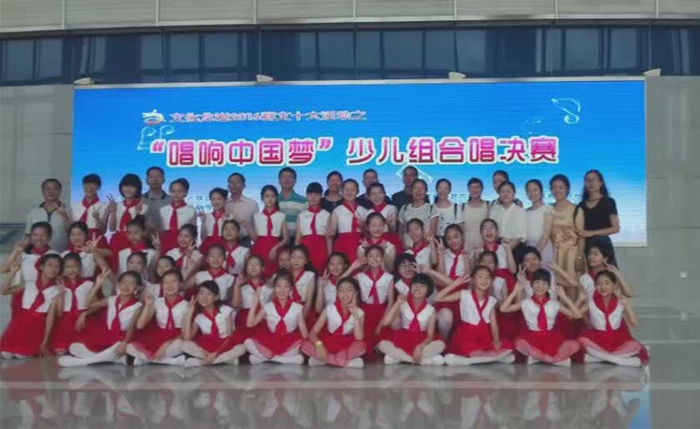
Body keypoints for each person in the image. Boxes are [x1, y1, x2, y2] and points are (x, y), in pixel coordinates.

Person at [58, 271, 144, 366]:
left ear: (137, 288)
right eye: (123, 282)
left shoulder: (137, 306)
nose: (126, 286)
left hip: (123, 337)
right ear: (119, 284)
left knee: (119, 346)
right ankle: (117, 359)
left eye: (131, 284)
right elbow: (87, 304)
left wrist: (124, 343)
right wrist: (97, 285)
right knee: (74, 347)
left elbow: (131, 328)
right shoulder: (111, 299)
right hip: (107, 335)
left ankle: (82, 362)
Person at [500, 269, 582, 366]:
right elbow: (503, 309)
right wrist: (515, 291)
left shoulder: (554, 304)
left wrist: (564, 297)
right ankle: (555, 359)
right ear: (531, 284)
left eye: (544, 284)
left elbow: (577, 315)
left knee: (573, 345)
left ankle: (539, 358)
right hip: (531, 337)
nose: (540, 286)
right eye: (537, 282)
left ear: (549, 287)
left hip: (551, 338)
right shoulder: (526, 303)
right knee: (520, 343)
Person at [436, 267, 515, 365]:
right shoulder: (464, 294)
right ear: (473, 280)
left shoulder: (492, 300)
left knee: (509, 347)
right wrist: (455, 284)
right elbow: (438, 298)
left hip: (484, 336)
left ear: (491, 281)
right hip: (466, 335)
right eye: (480, 277)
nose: (484, 280)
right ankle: (493, 358)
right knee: (471, 350)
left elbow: (494, 325)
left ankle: (470, 360)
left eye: (487, 277)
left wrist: (496, 341)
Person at [576, 270, 648, 366]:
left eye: (607, 283)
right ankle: (620, 360)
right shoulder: (591, 301)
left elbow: (635, 324)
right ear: (595, 286)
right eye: (599, 284)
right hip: (596, 339)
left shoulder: (620, 300)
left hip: (617, 340)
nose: (603, 287)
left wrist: (627, 305)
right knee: (581, 341)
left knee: (635, 346)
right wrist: (579, 300)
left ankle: (597, 358)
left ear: (614, 285)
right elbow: (575, 315)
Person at [0, 254, 64, 358]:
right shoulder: (28, 283)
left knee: (20, 355)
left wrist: (45, 341)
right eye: (50, 265)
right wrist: (13, 272)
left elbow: (51, 317)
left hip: (37, 328)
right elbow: (3, 291)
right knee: (6, 354)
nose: (53, 269)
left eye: (57, 267)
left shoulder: (56, 290)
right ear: (41, 267)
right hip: (19, 325)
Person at [377, 274, 445, 366]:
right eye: (415, 284)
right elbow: (386, 323)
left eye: (422, 286)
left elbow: (430, 336)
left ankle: (400, 358)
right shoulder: (403, 304)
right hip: (403, 338)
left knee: (440, 345)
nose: (417, 288)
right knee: (382, 344)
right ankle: (418, 360)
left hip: (421, 338)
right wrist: (397, 303)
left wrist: (419, 347)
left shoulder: (431, 310)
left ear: (428, 290)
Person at [244, 270, 309, 365]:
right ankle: (283, 360)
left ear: (291, 288)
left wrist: (305, 338)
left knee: (303, 345)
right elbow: (250, 324)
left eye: (286, 287)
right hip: (270, 339)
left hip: (289, 341)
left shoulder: (297, 307)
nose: (282, 290)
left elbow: (304, 335)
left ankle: (264, 358)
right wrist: (254, 304)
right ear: (274, 288)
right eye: (278, 286)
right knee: (247, 342)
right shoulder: (268, 306)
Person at [127, 269, 188, 366]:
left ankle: (146, 359)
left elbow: (184, 333)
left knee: (181, 344)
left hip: (175, 338)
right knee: (129, 347)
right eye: (166, 282)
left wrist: (166, 344)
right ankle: (172, 361)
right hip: (157, 336)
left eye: (173, 281)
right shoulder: (158, 302)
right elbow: (139, 325)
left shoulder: (186, 305)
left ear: (180, 284)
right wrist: (148, 305)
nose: (169, 285)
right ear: (162, 286)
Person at [302, 277, 366, 368]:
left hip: (347, 343)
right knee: (304, 345)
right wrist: (319, 345)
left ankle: (322, 361)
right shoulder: (329, 308)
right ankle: (344, 362)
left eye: (349, 290)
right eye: (341, 290)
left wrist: (355, 314)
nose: (345, 294)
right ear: (337, 292)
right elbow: (312, 333)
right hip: (328, 341)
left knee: (360, 346)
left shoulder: (359, 312)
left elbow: (359, 337)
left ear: (356, 293)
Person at [342, 246, 395, 353]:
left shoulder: (388, 277)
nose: (374, 259)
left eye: (377, 256)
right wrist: (352, 268)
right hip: (365, 312)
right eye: (371, 256)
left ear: (382, 258)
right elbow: (341, 283)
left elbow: (390, 303)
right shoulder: (360, 276)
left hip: (382, 312)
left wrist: (381, 324)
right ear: (366, 258)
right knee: (365, 342)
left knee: (383, 338)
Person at [182, 280, 247, 366]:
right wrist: (189, 313)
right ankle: (224, 360)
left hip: (226, 345)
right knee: (185, 345)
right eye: (201, 293)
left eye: (209, 294)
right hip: (207, 347)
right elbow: (187, 338)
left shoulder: (225, 310)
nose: (204, 297)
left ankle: (201, 362)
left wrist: (215, 354)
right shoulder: (199, 317)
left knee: (241, 348)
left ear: (216, 297)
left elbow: (229, 336)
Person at [50, 253, 96, 354]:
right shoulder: (58, 284)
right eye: (68, 267)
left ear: (80, 267)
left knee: (86, 346)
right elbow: (58, 312)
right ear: (63, 268)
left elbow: (96, 306)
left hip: (84, 321)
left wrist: (84, 314)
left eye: (75, 266)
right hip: (65, 322)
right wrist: (61, 294)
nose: (71, 270)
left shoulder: (88, 284)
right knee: (60, 351)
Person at [575, 170, 620, 266]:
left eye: (594, 180)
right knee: (588, 274)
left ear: (601, 183)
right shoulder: (581, 205)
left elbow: (615, 228)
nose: (590, 183)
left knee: (607, 274)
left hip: (603, 246)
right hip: (587, 247)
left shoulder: (608, 202)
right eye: (587, 180)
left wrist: (592, 233)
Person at [550, 174, 583, 294]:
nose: (557, 191)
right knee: (556, 287)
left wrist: (579, 257)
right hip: (555, 253)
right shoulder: (548, 209)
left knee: (572, 286)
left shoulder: (576, 209)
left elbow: (581, 236)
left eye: (560, 187)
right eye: (554, 188)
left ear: (567, 189)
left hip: (571, 254)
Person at [248, 185, 289, 278]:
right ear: (262, 198)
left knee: (274, 275)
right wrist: (247, 226)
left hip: (275, 248)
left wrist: (275, 249)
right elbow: (255, 239)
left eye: (272, 196)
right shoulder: (256, 216)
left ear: (276, 198)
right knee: (259, 274)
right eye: (266, 196)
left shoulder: (281, 216)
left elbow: (286, 238)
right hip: (259, 248)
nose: (269, 199)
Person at [25, 178, 72, 252]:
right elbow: (28, 235)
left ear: (60, 191)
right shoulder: (33, 212)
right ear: (42, 191)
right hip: (38, 255)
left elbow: (72, 232)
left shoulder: (69, 210)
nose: (51, 191)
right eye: (47, 189)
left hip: (61, 254)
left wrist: (65, 216)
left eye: (55, 189)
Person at [328, 179, 367, 264]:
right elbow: (331, 234)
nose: (349, 192)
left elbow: (368, 234)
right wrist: (330, 233)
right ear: (341, 191)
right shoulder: (337, 210)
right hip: (342, 245)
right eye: (346, 190)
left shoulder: (363, 211)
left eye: (353, 190)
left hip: (359, 245)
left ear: (358, 192)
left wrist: (363, 227)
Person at [108, 174, 148, 256]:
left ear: (138, 189)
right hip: (117, 242)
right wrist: (113, 212)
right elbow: (112, 229)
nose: (128, 189)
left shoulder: (144, 207)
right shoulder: (117, 205)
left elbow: (143, 230)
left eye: (132, 186)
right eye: (125, 186)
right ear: (121, 187)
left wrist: (138, 213)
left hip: (135, 242)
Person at [295, 182, 331, 274]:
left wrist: (330, 256)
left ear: (321, 196)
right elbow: (298, 238)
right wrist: (295, 255)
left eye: (316, 195)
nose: (313, 198)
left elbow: (328, 238)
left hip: (321, 250)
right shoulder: (301, 215)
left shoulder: (326, 215)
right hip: (306, 250)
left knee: (321, 274)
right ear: (306, 196)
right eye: (310, 195)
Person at [488, 181, 527, 264]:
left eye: (509, 192)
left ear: (514, 193)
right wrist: (499, 249)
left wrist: (507, 249)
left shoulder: (520, 211)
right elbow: (491, 231)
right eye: (502, 192)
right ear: (499, 194)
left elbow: (520, 235)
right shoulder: (494, 210)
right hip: (497, 247)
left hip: (515, 248)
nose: (505, 194)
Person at [159, 178, 196, 254]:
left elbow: (193, 232)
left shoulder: (191, 210)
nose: (176, 194)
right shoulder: (163, 210)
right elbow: (161, 231)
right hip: (166, 243)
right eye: (173, 191)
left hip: (183, 243)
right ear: (169, 192)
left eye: (179, 191)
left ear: (186, 193)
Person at [72, 174, 108, 248]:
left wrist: (97, 219)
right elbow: (71, 228)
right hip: (77, 241)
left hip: (96, 241)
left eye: (93, 184)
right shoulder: (75, 206)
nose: (89, 187)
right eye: (86, 184)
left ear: (99, 187)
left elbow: (103, 231)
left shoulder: (104, 206)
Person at [398, 179, 437, 248]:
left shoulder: (432, 208)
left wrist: (421, 248)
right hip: (407, 248)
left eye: (421, 188)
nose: (418, 191)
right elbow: (400, 232)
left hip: (426, 248)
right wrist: (405, 247)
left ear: (426, 191)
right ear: (411, 191)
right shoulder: (404, 208)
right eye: (415, 188)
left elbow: (432, 232)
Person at [225, 173, 259, 247]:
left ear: (244, 186)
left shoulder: (252, 204)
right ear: (228, 186)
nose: (234, 185)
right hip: (225, 241)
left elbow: (256, 228)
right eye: (232, 182)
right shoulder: (223, 203)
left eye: (237, 182)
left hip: (244, 241)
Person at [367, 182, 403, 253]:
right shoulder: (368, 212)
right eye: (373, 194)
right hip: (373, 242)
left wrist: (389, 225)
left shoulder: (391, 208)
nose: (377, 196)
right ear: (369, 197)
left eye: (379, 193)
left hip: (390, 239)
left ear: (384, 194)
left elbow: (393, 229)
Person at [525, 179, 554, 265]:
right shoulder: (525, 211)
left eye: (535, 190)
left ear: (541, 191)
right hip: (528, 247)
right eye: (529, 191)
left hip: (543, 247)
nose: (532, 193)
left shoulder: (547, 209)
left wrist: (535, 253)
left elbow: (546, 234)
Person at [461, 178, 490, 253]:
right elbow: (460, 229)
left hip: (484, 242)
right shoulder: (462, 207)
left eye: (477, 187)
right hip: (466, 243)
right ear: (468, 189)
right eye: (472, 187)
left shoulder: (488, 205)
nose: (475, 190)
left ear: (482, 189)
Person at [277, 167, 307, 238]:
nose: (287, 179)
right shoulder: (274, 199)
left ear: (295, 181)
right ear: (279, 181)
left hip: (296, 239)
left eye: (290, 177)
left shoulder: (303, 201)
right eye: (283, 177)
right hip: (277, 239)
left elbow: (305, 224)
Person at [198, 187, 228, 255]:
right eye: (213, 199)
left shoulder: (230, 217)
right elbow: (203, 238)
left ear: (225, 200)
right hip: (207, 249)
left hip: (223, 250)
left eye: (219, 199)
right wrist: (203, 222)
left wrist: (226, 222)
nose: (216, 202)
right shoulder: (206, 216)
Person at [142, 166, 171, 232]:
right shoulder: (140, 200)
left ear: (164, 180)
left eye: (158, 176)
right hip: (143, 237)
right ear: (147, 181)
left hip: (166, 237)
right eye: (152, 177)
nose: (155, 179)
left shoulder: (171, 201)